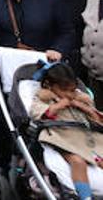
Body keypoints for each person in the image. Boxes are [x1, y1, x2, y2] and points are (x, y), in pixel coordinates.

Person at [31, 62, 103, 199]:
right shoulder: (43, 98)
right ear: (48, 85)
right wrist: (58, 106)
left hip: (84, 137)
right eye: (65, 90)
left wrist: (84, 107)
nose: (70, 95)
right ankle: (85, 197)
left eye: (73, 90)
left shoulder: (79, 99)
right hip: (62, 137)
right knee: (77, 161)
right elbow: (37, 114)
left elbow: (96, 119)